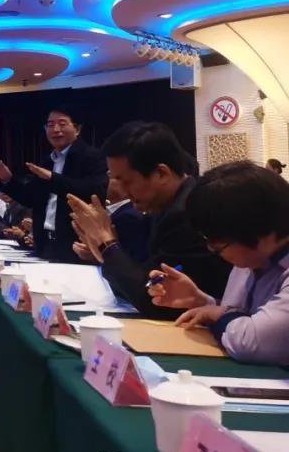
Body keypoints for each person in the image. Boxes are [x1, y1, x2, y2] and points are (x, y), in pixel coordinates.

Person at [68, 121, 231, 318]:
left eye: (126, 181)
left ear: (161, 173)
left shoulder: (186, 214)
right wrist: (103, 250)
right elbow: (143, 273)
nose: (122, 191)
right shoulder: (163, 205)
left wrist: (106, 244)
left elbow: (157, 301)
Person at [147, 161, 289, 365]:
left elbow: (247, 341)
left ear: (263, 233)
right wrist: (201, 302)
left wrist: (220, 313)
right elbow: (240, 315)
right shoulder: (253, 257)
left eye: (218, 244)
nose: (211, 249)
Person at [0, 106, 108, 262]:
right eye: (50, 125)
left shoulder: (92, 157)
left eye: (62, 124)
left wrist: (53, 178)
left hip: (77, 243)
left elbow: (94, 192)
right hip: (45, 242)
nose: (56, 129)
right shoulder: (48, 160)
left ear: (77, 129)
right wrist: (8, 179)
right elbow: (31, 198)